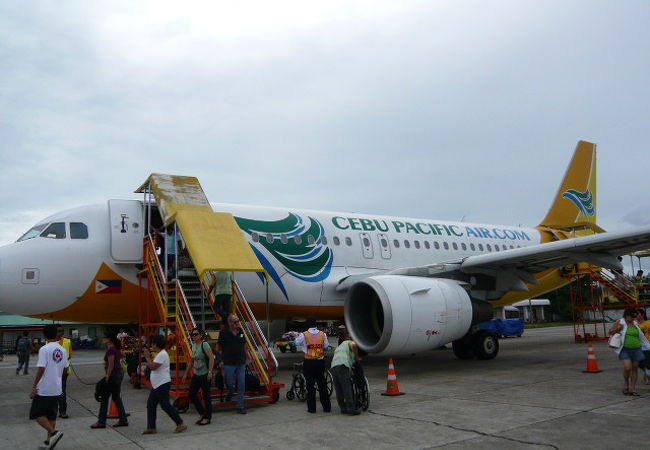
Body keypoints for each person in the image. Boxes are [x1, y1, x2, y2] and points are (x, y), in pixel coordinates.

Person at [29, 324, 67, 450]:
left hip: (45, 388)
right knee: (51, 415)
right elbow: (65, 369)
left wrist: (34, 387)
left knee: (37, 414)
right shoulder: (62, 349)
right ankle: (48, 442)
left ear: (44, 335)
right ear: (56, 333)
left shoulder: (44, 349)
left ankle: (55, 433)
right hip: (57, 388)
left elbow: (41, 369)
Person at [143, 334, 187, 434]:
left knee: (165, 405)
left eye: (153, 343)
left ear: (155, 344)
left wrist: (147, 358)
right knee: (151, 404)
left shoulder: (162, 354)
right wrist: (150, 358)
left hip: (162, 384)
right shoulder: (160, 354)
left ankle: (180, 423)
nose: (152, 345)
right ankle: (151, 427)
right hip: (157, 384)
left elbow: (153, 367)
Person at [292, 317, 331, 413]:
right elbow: (326, 347)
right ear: (316, 324)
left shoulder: (304, 335)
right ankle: (327, 408)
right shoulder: (323, 334)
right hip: (320, 363)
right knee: (322, 385)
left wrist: (293, 340)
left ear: (307, 325)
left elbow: (295, 343)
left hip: (309, 363)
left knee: (310, 385)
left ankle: (312, 409)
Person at [608, 307, 650, 396]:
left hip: (637, 349)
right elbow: (610, 332)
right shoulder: (620, 322)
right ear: (627, 315)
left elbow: (641, 337)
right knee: (627, 368)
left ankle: (632, 388)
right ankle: (626, 383)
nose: (634, 319)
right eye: (632, 317)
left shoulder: (635, 324)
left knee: (635, 369)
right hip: (625, 350)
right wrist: (617, 329)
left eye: (635, 317)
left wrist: (647, 347)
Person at [91, 332, 129, 428]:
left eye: (104, 338)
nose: (103, 339)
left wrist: (107, 376)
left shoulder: (111, 350)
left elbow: (111, 364)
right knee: (116, 398)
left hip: (113, 375)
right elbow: (123, 355)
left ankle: (101, 421)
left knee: (104, 398)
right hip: (118, 373)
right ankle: (123, 419)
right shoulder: (115, 348)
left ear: (109, 339)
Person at [183, 327, 216, 425]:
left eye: (195, 334)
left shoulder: (204, 344)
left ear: (201, 335)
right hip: (197, 374)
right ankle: (202, 413)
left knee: (206, 396)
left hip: (205, 374)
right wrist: (186, 373)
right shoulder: (194, 346)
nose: (193, 336)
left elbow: (211, 358)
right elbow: (192, 361)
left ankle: (208, 417)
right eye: (192, 334)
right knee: (191, 394)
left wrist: (210, 371)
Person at [218, 314, 247, 414]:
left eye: (238, 321)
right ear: (230, 323)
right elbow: (219, 347)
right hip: (229, 362)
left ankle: (240, 405)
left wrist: (246, 357)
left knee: (242, 383)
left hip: (240, 361)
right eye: (235, 322)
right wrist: (220, 360)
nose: (238, 323)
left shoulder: (241, 332)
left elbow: (244, 344)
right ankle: (230, 392)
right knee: (229, 382)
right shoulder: (224, 333)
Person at [330, 327, 360, 415]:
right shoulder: (349, 342)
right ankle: (350, 408)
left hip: (333, 366)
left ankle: (343, 408)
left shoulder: (339, 347)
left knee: (338, 389)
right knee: (346, 388)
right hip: (342, 365)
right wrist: (357, 357)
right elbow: (354, 346)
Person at [56, 326, 73, 419]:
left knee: (62, 391)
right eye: (58, 331)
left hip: (64, 371)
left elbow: (70, 355)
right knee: (53, 391)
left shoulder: (67, 341)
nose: (59, 333)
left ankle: (63, 411)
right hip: (53, 371)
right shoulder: (48, 342)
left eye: (61, 331)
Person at [638, 309, 650, 385]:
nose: (635, 315)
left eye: (638, 313)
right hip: (638, 346)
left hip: (648, 346)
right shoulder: (634, 325)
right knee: (639, 363)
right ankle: (646, 373)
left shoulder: (648, 323)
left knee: (647, 363)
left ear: (642, 315)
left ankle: (647, 376)